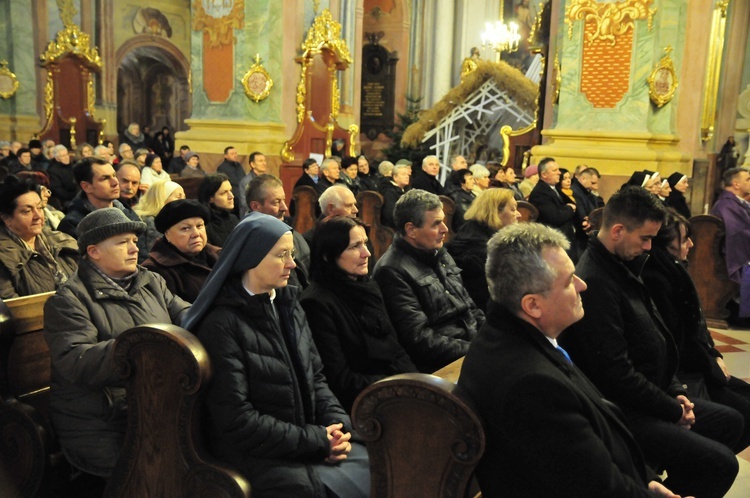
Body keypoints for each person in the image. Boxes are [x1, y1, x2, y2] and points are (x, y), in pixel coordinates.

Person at [458, 222, 680, 498]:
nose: (582, 285)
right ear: (533, 305)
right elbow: (595, 487)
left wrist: (646, 479)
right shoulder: (530, 384)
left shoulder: (517, 335)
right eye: (568, 281)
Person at [562, 186, 741, 498]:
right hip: (623, 411)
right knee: (721, 463)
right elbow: (615, 375)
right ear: (618, 230)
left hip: (655, 394)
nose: (648, 248)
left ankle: (675, 484)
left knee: (731, 421)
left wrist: (677, 392)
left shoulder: (625, 265)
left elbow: (659, 337)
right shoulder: (597, 281)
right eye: (644, 238)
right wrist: (672, 409)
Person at [182, 212, 370, 498]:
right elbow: (237, 420)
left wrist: (338, 428)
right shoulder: (222, 323)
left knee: (384, 463)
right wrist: (317, 441)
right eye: (282, 255)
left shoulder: (288, 303)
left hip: (303, 440)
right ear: (250, 257)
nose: (292, 264)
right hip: (258, 455)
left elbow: (316, 378)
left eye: (291, 253)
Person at [44, 208, 189, 479]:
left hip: (153, 407)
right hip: (103, 421)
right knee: (156, 474)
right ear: (94, 251)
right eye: (122, 242)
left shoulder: (151, 282)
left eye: (134, 241)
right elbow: (77, 361)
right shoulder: (69, 300)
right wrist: (139, 347)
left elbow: (187, 316)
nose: (134, 248)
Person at [642, 209, 750, 452]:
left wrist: (714, 354)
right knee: (737, 417)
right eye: (683, 238)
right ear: (664, 244)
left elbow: (698, 326)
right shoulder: (656, 278)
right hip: (682, 374)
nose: (690, 243)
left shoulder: (676, 270)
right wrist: (710, 362)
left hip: (697, 364)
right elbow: (678, 341)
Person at [300, 216, 417, 411]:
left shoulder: (368, 287)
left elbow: (395, 348)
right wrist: (399, 385)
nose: (367, 253)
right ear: (329, 255)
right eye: (355, 247)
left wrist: (417, 382)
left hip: (395, 388)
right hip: (363, 402)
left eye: (365, 243)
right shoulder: (316, 303)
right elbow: (341, 380)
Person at [373, 189, 484, 372]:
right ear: (411, 230)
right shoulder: (391, 270)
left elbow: (470, 307)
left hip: (471, 349)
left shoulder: (440, 253)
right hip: (440, 366)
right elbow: (419, 340)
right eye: (436, 224)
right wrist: (476, 350)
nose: (445, 229)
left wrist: (492, 337)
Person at [0, 176, 78, 299]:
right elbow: (14, 308)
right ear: (7, 219)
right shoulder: (4, 258)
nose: (38, 216)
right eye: (27, 211)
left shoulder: (61, 240)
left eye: (40, 208)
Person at [446, 188, 520, 312]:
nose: (519, 214)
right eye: (513, 209)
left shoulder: (479, 232)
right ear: (495, 212)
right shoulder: (478, 247)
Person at [143, 199, 219, 303]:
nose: (196, 233)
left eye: (199, 226)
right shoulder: (155, 270)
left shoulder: (221, 255)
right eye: (186, 228)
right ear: (167, 234)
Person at [247, 174, 311, 288]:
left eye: (283, 201)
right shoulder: (249, 241)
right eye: (276, 202)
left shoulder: (292, 234)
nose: (284, 208)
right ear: (255, 206)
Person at [58, 157, 140, 238]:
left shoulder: (126, 212)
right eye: (105, 178)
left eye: (114, 175)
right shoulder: (73, 224)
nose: (115, 182)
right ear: (86, 187)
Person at [710, 167, 750, 320]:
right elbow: (737, 233)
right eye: (748, 179)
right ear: (736, 184)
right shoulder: (726, 205)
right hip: (732, 256)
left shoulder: (736, 203)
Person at [529, 157, 576, 258]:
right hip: (553, 243)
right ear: (544, 174)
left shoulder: (553, 188)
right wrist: (570, 208)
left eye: (558, 169)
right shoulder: (540, 192)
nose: (559, 173)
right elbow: (555, 217)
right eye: (554, 170)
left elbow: (571, 204)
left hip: (564, 239)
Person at [134, 180, 185, 257]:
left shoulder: (178, 222)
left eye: (184, 197)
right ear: (162, 198)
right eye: (178, 197)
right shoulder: (148, 221)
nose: (183, 201)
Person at [198, 173, 238, 247]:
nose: (231, 196)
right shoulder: (203, 225)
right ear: (210, 198)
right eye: (224, 193)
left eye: (230, 191)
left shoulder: (233, 219)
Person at [380, 163, 410, 228]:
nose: (407, 176)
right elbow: (390, 214)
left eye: (407, 174)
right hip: (394, 228)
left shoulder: (406, 190)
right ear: (395, 177)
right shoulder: (389, 192)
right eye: (403, 174)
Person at [238, 151, 267, 217]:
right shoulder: (246, 181)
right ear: (252, 164)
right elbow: (244, 204)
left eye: (264, 160)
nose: (264, 163)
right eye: (260, 161)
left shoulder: (267, 180)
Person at [47, 144, 76, 210]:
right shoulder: (53, 171)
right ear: (57, 158)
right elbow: (57, 190)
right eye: (63, 156)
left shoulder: (73, 166)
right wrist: (74, 195)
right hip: (64, 200)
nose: (66, 157)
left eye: (67, 154)